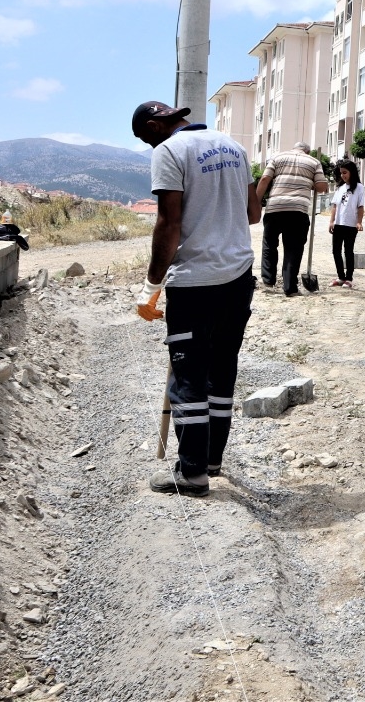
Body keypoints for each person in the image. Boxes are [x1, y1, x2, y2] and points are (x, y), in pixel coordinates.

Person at [131, 100, 262, 497]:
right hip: (238, 277)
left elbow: (169, 223)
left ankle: (191, 474)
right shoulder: (234, 147)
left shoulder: (170, 151)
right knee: (221, 371)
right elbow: (253, 213)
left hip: (195, 283)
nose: (150, 147)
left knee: (189, 378)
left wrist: (151, 285)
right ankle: (211, 460)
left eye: (145, 139)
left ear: (155, 127)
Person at [256, 142, 328, 296]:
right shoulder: (314, 162)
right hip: (297, 210)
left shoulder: (277, 157)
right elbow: (322, 187)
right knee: (293, 248)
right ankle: (290, 287)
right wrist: (311, 182)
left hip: (275, 207)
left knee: (269, 244)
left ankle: (268, 282)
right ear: (307, 151)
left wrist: (255, 203)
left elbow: (264, 180)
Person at [328, 160, 365, 288]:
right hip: (338, 224)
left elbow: (360, 206)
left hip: (351, 225)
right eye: (341, 173)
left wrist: (359, 222)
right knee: (335, 251)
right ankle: (340, 277)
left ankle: (349, 278)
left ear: (351, 172)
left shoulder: (359, 188)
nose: (343, 175)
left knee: (348, 251)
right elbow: (335, 206)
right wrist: (331, 221)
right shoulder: (340, 188)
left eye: (345, 172)